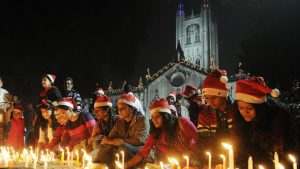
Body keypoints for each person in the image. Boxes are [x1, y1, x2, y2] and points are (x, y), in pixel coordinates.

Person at [234, 77, 298, 168]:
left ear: (259, 107)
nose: (245, 112)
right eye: (241, 108)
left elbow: (274, 147)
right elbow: (241, 145)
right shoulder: (239, 119)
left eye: (250, 108)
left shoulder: (276, 116)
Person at [125, 98, 200, 168]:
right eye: (152, 117)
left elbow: (199, 140)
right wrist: (126, 165)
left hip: (191, 162)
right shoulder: (156, 132)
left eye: (157, 117)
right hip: (171, 164)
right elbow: (143, 152)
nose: (154, 120)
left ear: (166, 116)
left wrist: (193, 157)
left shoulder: (182, 123)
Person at [92, 93, 149, 168]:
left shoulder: (142, 120)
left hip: (138, 149)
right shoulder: (120, 122)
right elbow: (110, 138)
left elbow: (140, 140)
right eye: (118, 109)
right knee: (103, 150)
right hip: (122, 146)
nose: (119, 111)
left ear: (131, 108)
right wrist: (94, 153)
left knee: (123, 148)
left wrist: (120, 141)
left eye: (122, 108)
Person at [197, 69, 235, 166]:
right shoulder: (205, 114)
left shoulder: (236, 111)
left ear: (223, 95)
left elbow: (240, 137)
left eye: (214, 98)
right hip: (214, 159)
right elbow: (203, 141)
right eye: (207, 98)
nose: (210, 102)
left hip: (237, 156)